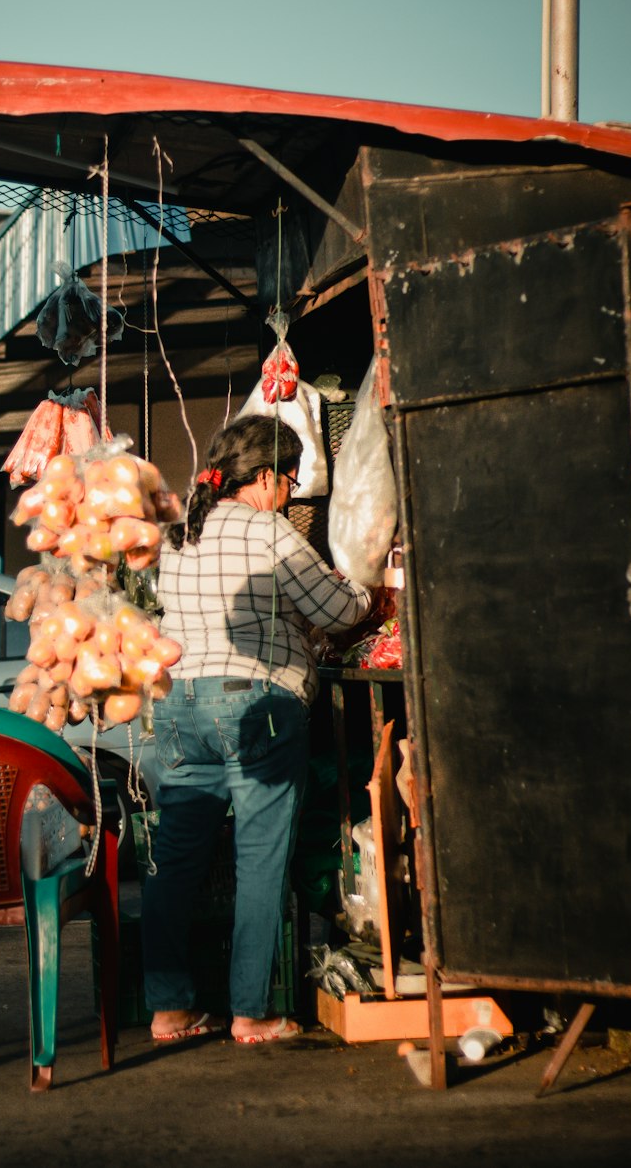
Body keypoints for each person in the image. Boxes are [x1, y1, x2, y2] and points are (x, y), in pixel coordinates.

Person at [142, 413, 375, 1045]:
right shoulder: (265, 529)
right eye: (292, 482)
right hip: (256, 706)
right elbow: (336, 608)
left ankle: (168, 1008)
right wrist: (363, 589)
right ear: (267, 476)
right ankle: (251, 1011)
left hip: (179, 704)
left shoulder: (178, 529)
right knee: (261, 861)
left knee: (176, 860)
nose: (291, 495)